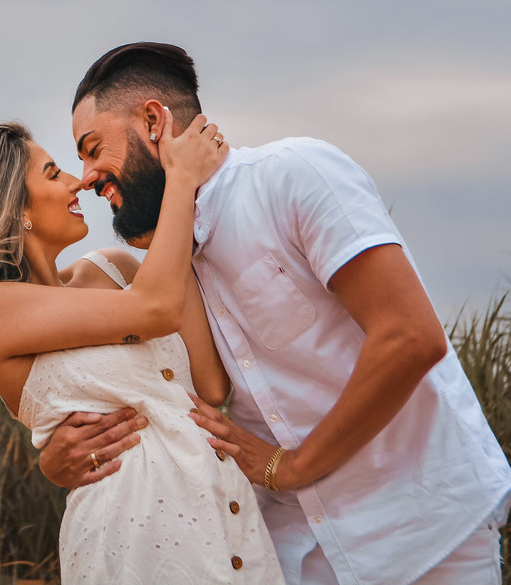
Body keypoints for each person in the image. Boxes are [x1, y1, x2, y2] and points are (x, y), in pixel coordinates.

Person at [41, 41, 511, 584]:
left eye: (93, 148)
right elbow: (176, 397)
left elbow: (410, 336)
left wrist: (291, 466)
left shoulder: (292, 174)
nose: (86, 176)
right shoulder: (169, 267)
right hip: (291, 557)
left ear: (153, 121)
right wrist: (61, 456)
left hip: (426, 533)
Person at [0, 113, 286, 583]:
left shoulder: (113, 268)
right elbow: (155, 310)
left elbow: (209, 386)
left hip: (226, 517)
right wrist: (180, 178)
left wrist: (161, 203)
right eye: (53, 174)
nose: (77, 183)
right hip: (132, 534)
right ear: (15, 208)